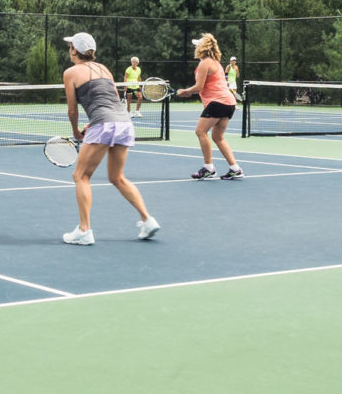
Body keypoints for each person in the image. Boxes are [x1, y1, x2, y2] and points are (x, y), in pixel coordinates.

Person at [59, 32, 160, 245]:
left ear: (75, 50)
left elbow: (72, 110)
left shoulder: (70, 73)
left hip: (104, 123)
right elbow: (113, 99)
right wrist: (94, 123)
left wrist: (77, 130)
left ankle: (84, 231)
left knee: (80, 176)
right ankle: (148, 220)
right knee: (117, 177)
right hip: (123, 122)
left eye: (70, 46)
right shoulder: (103, 68)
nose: (69, 49)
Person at [178, 32, 242, 179]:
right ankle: (235, 168)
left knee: (200, 132)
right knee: (217, 137)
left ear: (202, 48)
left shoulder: (204, 63)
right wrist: (189, 92)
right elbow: (205, 86)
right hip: (229, 102)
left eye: (197, 45)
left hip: (217, 102)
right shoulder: (216, 63)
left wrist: (184, 91)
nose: (195, 48)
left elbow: (199, 86)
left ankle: (209, 168)